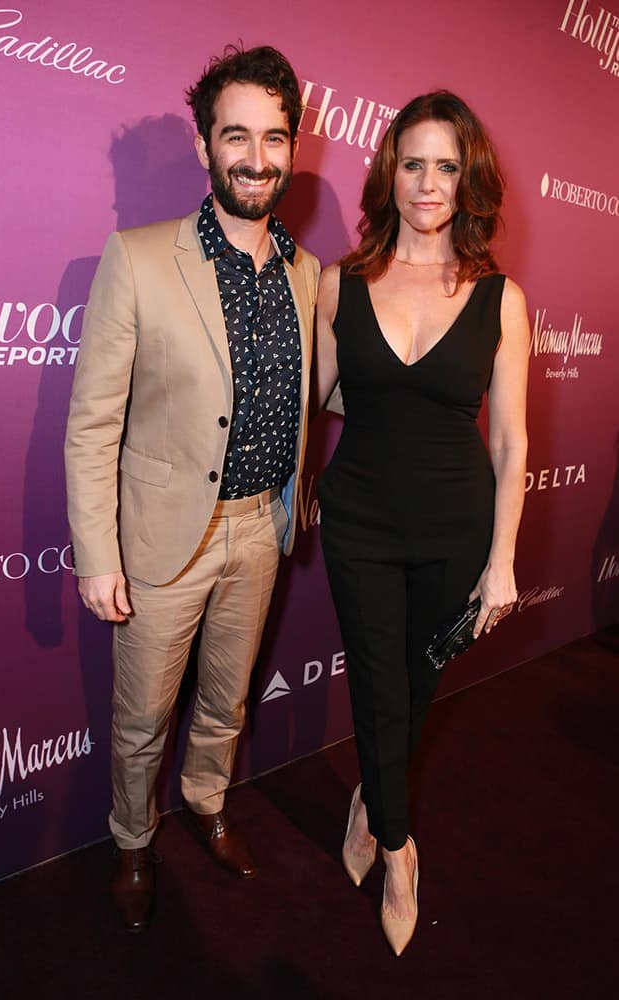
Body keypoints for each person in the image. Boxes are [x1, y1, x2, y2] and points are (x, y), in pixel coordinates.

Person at [64, 44, 319, 932]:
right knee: (142, 717)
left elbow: (316, 394)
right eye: (237, 135)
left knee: (226, 698)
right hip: (166, 536)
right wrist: (97, 555)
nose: (258, 156)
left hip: (263, 528)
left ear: (294, 147)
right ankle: (133, 841)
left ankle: (207, 801)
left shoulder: (306, 270)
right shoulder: (136, 259)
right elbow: (92, 424)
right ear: (207, 143)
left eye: (275, 137)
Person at [315, 91, 529, 955]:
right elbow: (321, 400)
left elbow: (513, 442)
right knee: (376, 686)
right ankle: (399, 851)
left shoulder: (501, 297)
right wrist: (298, 479)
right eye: (413, 163)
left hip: (457, 533)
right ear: (389, 173)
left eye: (446, 165)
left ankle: (373, 799)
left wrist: (504, 561)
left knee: (415, 689)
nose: (428, 182)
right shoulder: (341, 283)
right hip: (359, 520)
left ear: (466, 177)